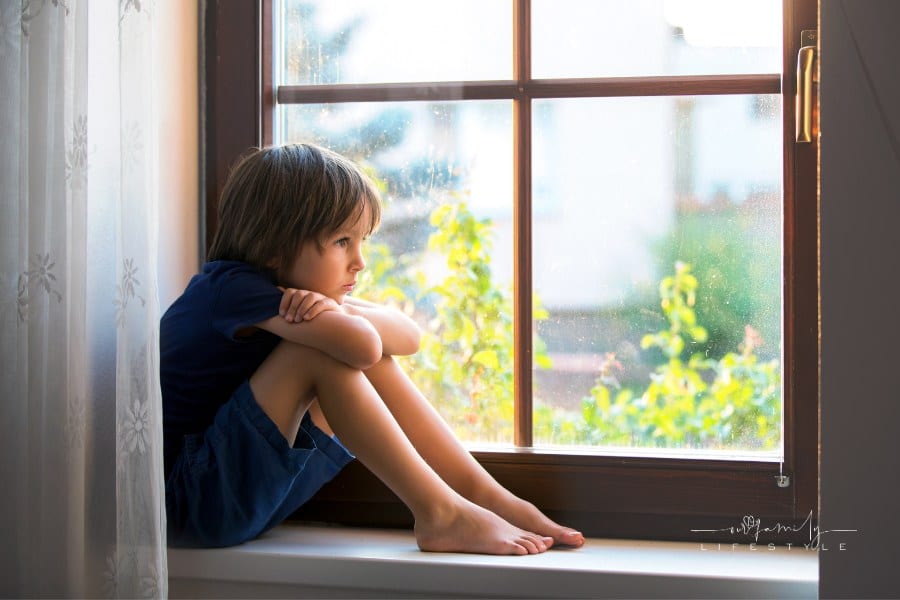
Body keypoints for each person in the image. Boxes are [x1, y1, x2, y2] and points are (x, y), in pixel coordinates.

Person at [161, 143, 585, 554]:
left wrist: (334, 309)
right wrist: (337, 314)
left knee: (354, 349)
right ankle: (439, 512)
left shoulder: (294, 295)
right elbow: (362, 345)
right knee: (321, 352)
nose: (360, 261)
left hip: (235, 496)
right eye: (343, 241)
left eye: (362, 241)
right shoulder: (231, 289)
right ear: (274, 247)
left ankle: (482, 494)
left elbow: (408, 337)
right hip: (190, 502)